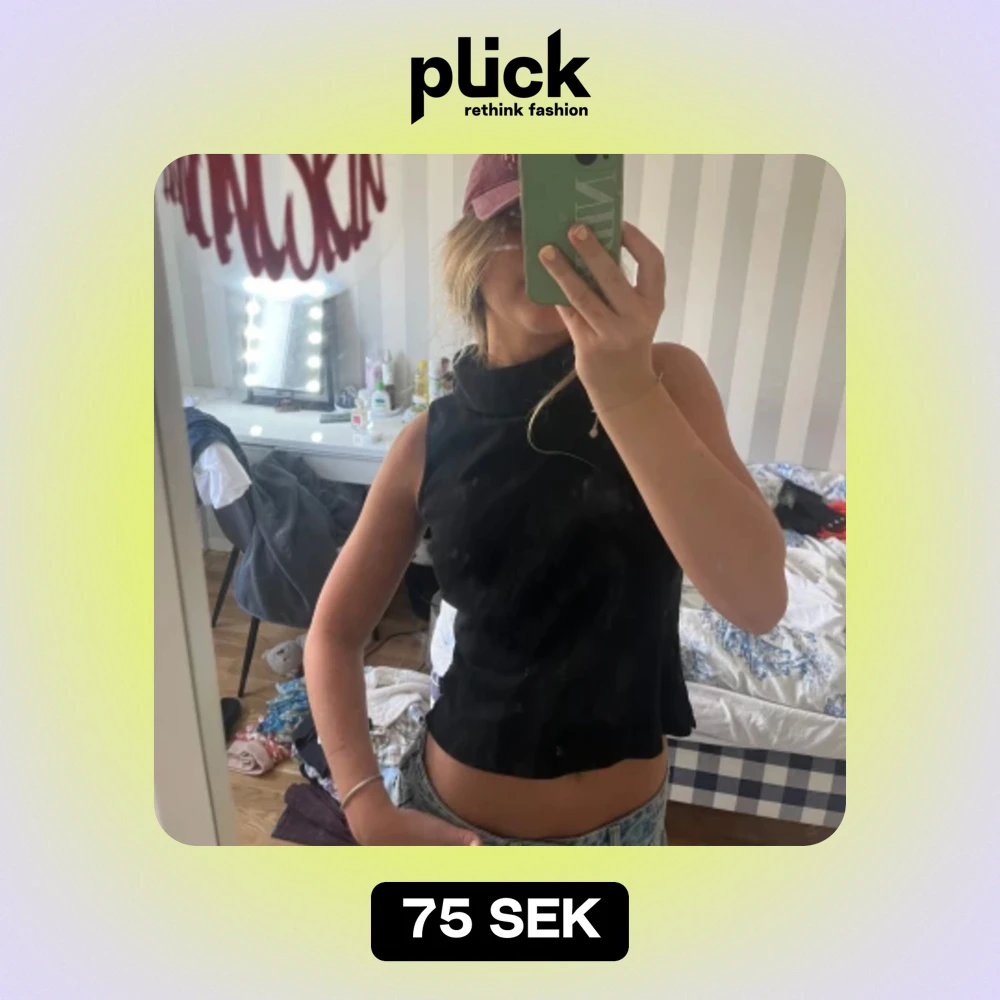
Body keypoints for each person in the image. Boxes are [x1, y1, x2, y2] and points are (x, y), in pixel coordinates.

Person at [304, 154, 787, 846]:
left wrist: (624, 388)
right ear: (468, 251)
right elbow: (332, 633)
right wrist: (364, 806)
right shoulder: (427, 440)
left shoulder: (667, 382)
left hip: (627, 834)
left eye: (571, 221)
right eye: (515, 220)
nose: (548, 246)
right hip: (461, 832)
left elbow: (759, 601)